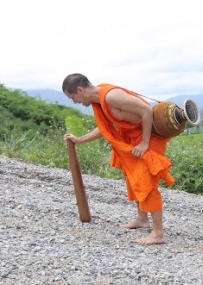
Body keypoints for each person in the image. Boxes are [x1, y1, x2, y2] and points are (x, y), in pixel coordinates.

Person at [62, 73, 174, 245]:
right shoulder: (99, 101)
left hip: (148, 138)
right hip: (131, 139)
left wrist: (144, 143)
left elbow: (147, 110)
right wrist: (80, 140)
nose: (74, 101)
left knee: (146, 182)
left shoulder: (111, 96)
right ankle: (142, 219)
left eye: (72, 97)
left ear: (80, 90)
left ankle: (158, 234)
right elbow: (104, 129)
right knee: (132, 177)